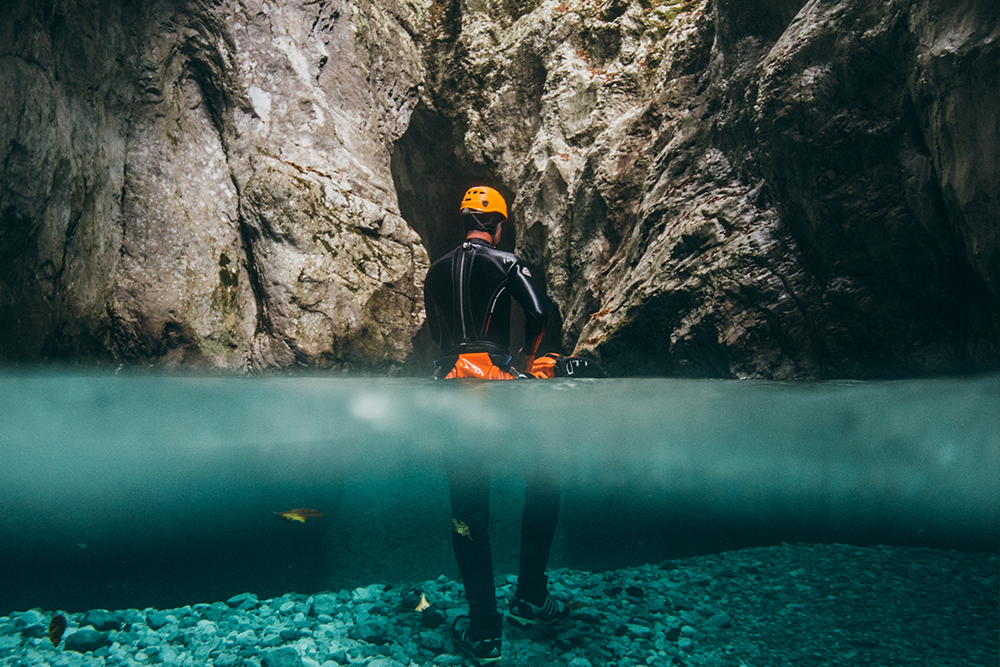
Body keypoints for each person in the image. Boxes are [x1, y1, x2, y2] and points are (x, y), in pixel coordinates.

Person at [424, 186, 570, 664]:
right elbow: (540, 313)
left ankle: (484, 630)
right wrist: (533, 362)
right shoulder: (507, 262)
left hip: (449, 384)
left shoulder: (434, 271)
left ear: (464, 220)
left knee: (468, 508)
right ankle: (530, 597)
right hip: (497, 381)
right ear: (499, 225)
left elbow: (439, 337)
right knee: (544, 478)